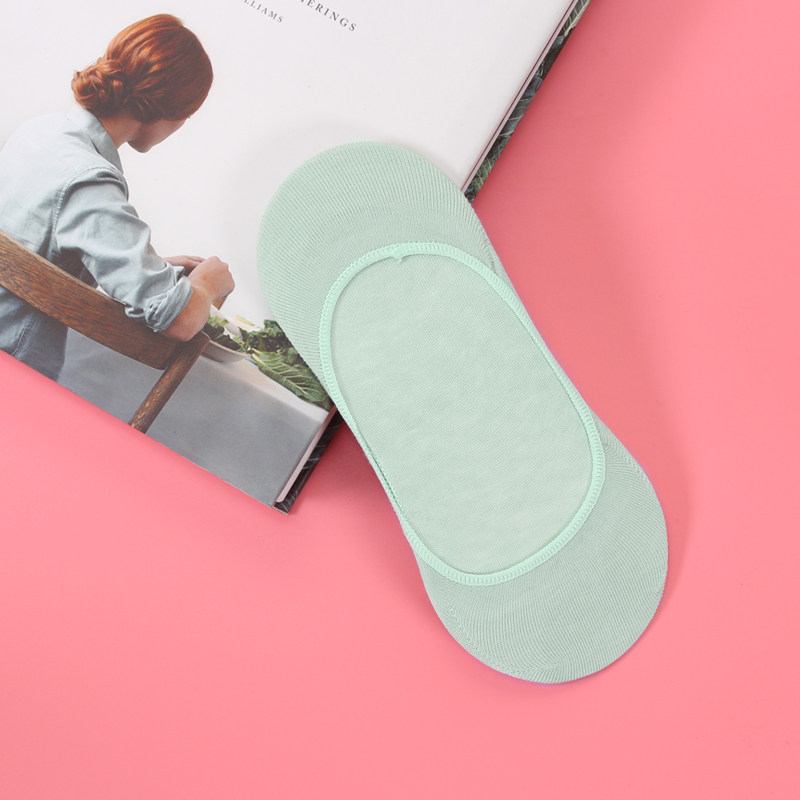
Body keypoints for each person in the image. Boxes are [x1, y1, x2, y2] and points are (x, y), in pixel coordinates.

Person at [0, 14, 234, 380]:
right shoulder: (90, 181)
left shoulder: (38, 132)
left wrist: (144, 266)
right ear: (169, 112)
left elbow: (43, 250)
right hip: (13, 374)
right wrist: (206, 283)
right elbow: (178, 320)